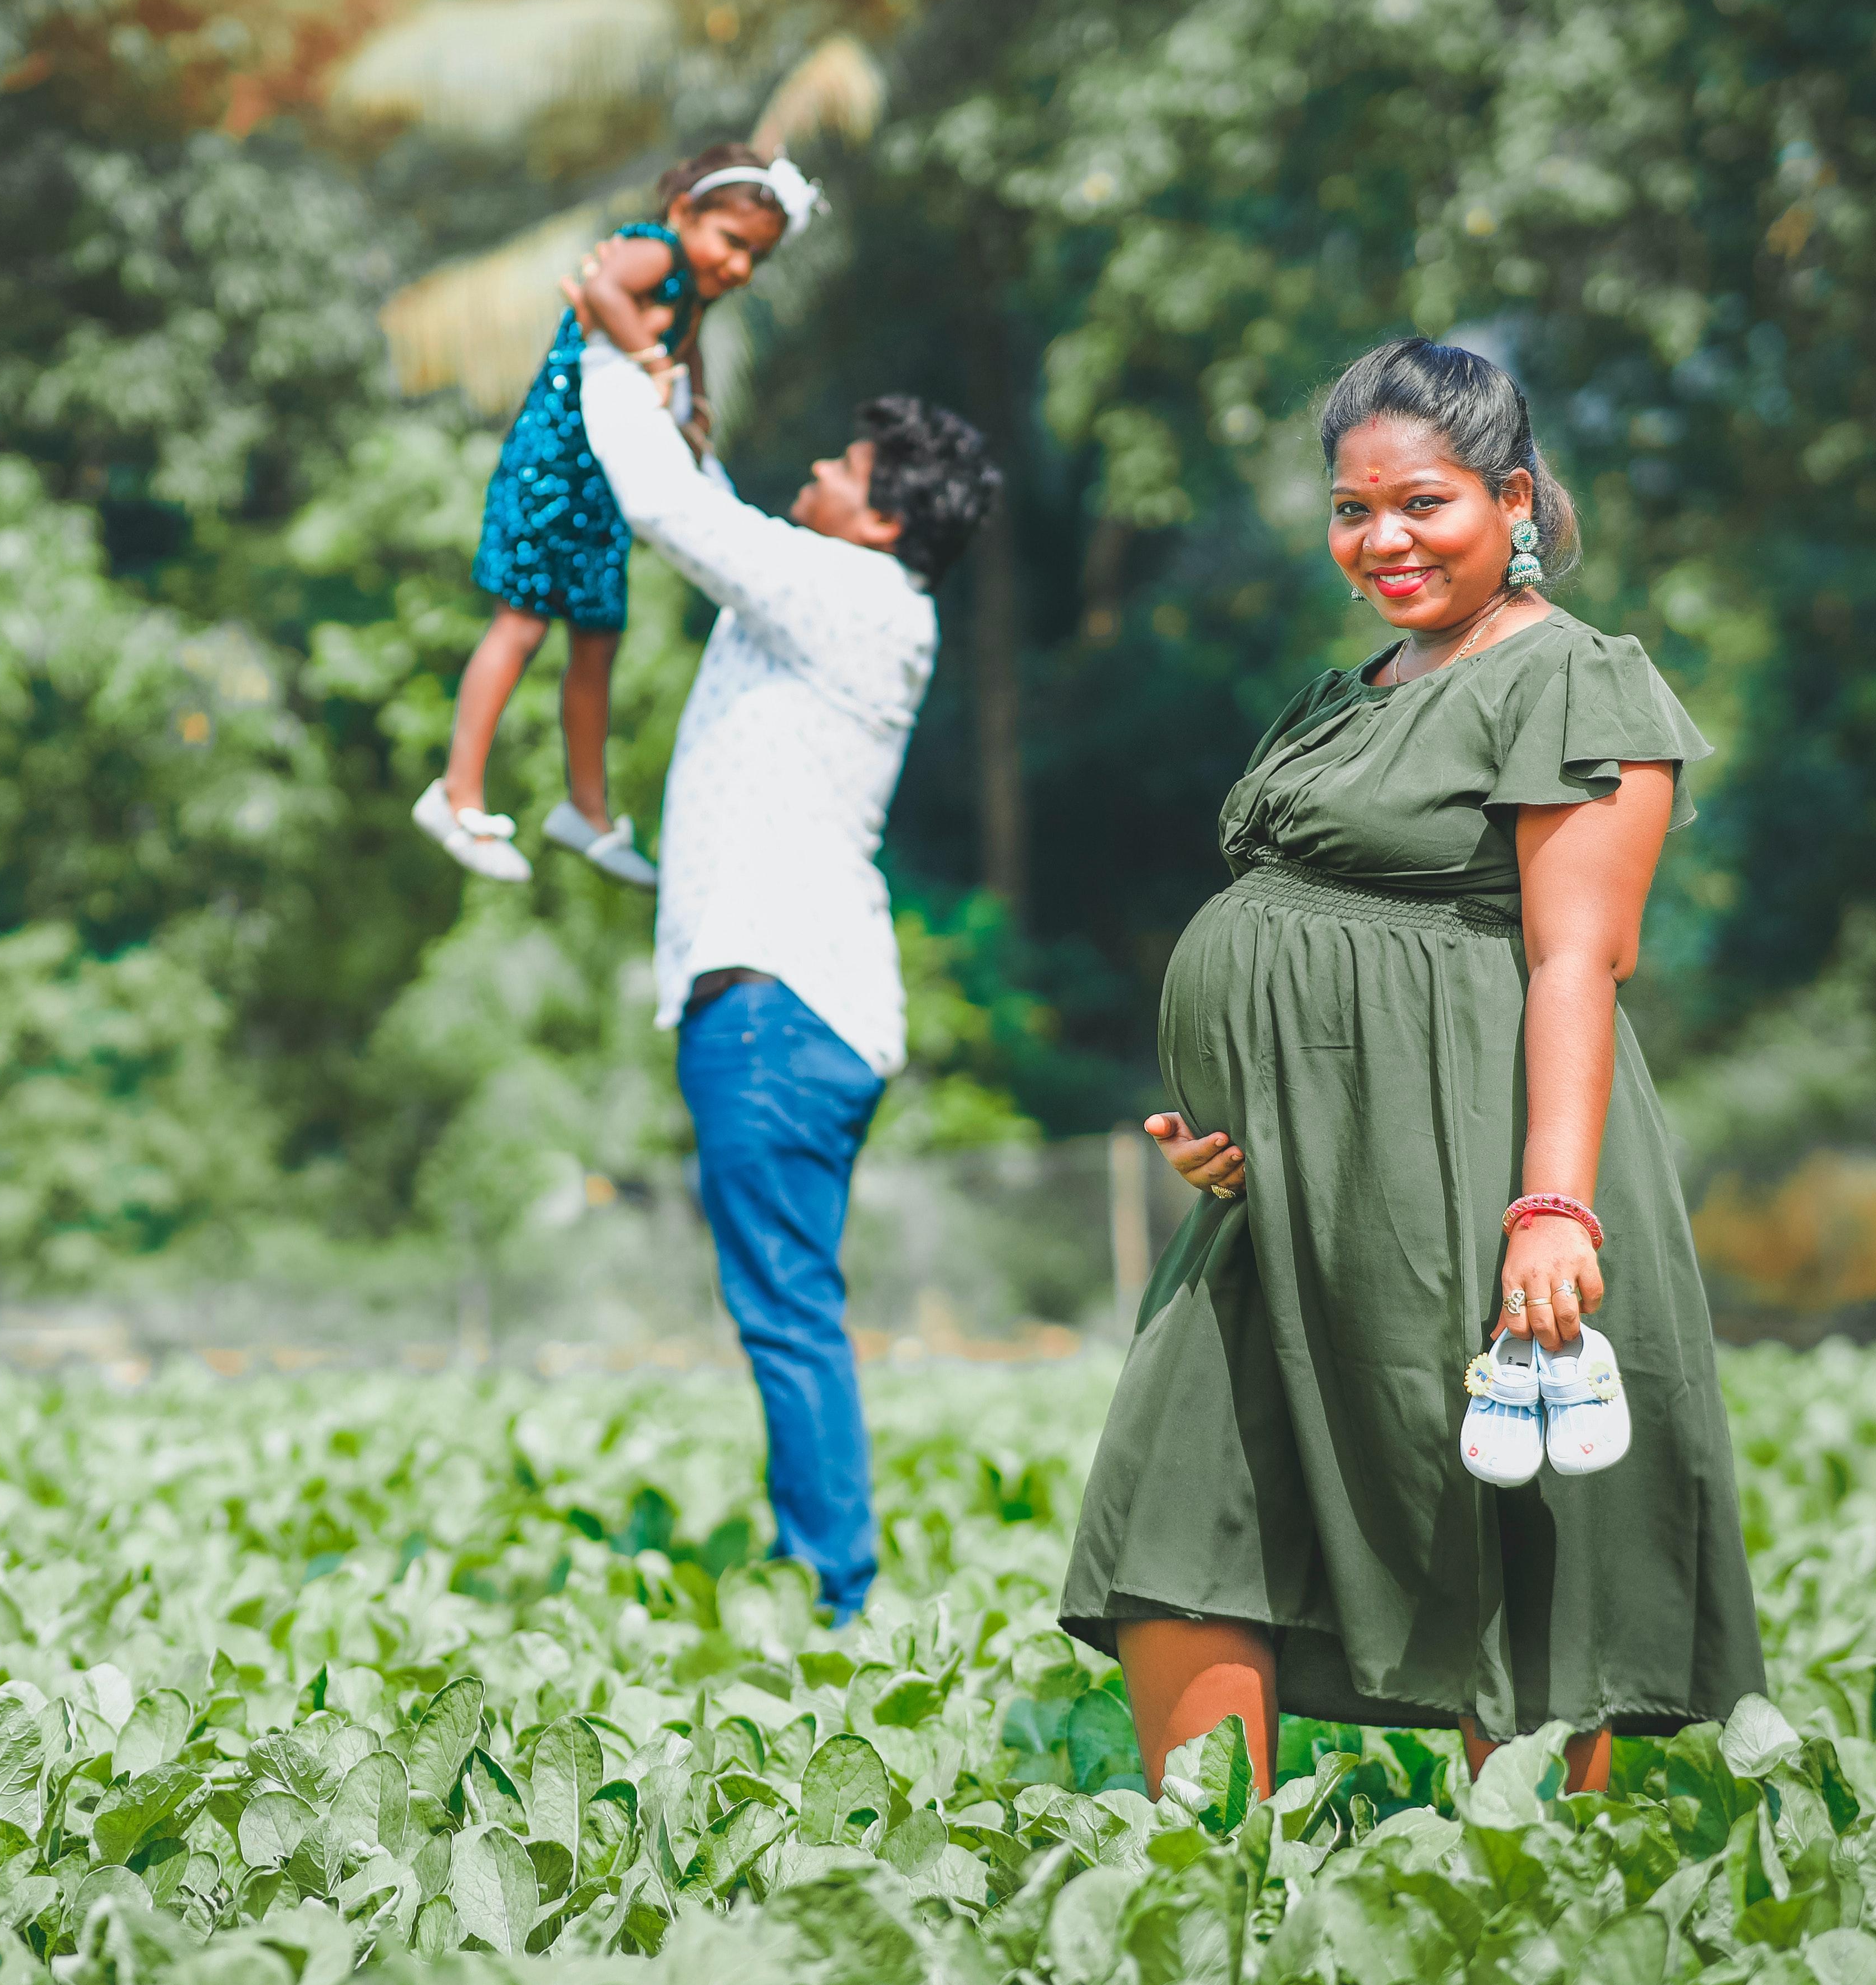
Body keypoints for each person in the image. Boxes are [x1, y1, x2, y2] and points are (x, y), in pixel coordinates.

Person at [1061, 337, 1766, 1796]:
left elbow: (1579, 960)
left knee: (1490, 1526)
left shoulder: (1573, 681)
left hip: (1464, 1157)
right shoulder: (1366, 683)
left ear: (1513, 500)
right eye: (1351, 510)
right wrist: (1226, 1113)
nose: (1381, 541)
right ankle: (1205, 1898)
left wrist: (1553, 1211)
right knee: (1179, 1505)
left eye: (1423, 505)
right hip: (1277, 1190)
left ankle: (1528, 1907)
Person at [574, 341, 998, 1623]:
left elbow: (667, 509)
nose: (811, 469)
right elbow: (710, 495)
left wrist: (601, 345)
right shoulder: (847, 594)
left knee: (785, 1308)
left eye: (842, 464)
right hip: (789, 1005)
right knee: (788, 1300)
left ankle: (836, 1594)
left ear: (880, 517)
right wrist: (670, 384)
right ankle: (829, 1577)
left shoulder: (854, 596)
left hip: (775, 1007)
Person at [413, 144, 817, 888]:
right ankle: (457, 792)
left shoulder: (691, 289)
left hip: (604, 493)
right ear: (683, 213)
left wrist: (694, 410)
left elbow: (683, 352)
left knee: (598, 640)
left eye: (755, 258)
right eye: (731, 244)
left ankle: (588, 810)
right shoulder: (653, 251)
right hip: (555, 468)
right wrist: (655, 363)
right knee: (522, 625)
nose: (738, 268)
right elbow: (602, 290)